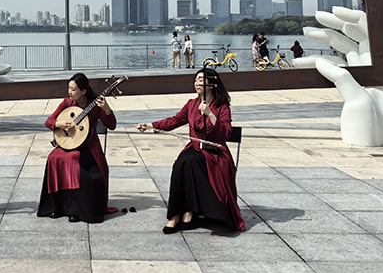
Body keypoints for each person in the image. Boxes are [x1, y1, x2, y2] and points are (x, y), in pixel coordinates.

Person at [137, 68, 245, 234]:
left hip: (215, 153)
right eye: (196, 80)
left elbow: (226, 133)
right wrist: (151, 125)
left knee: (191, 162)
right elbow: (175, 120)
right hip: (195, 148)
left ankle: (190, 212)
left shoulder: (222, 107)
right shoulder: (191, 104)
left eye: (201, 80)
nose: (197, 83)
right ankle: (175, 215)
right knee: (180, 163)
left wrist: (210, 114)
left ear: (211, 84)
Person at [38, 73, 118, 223]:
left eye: (73, 89)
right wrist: (59, 124)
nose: (70, 92)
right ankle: (56, 206)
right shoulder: (67, 103)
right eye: (69, 88)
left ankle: (75, 210)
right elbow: (49, 121)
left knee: (73, 160)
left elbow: (112, 125)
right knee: (53, 158)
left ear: (83, 91)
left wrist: (107, 109)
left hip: (88, 145)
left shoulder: (95, 105)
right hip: (69, 142)